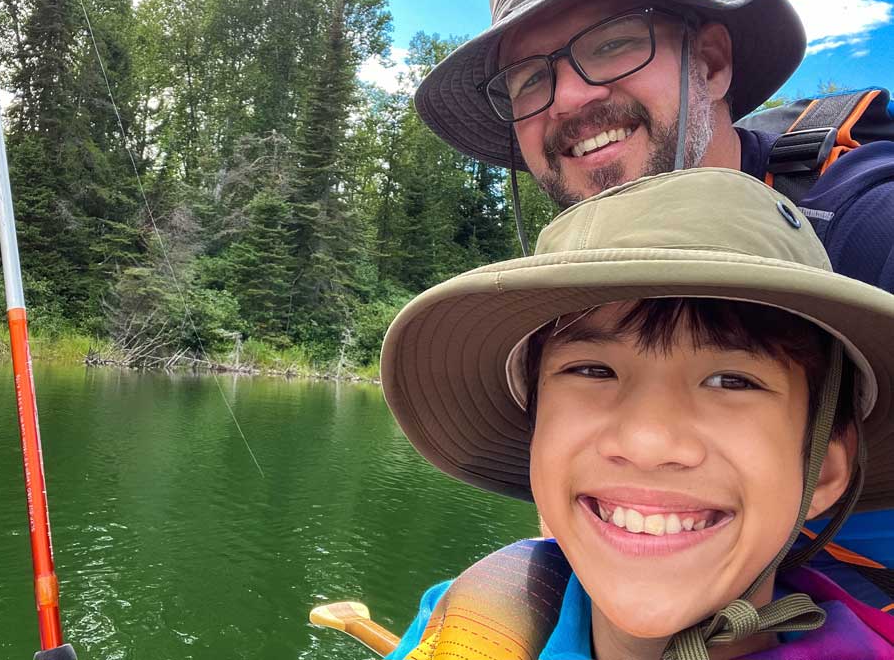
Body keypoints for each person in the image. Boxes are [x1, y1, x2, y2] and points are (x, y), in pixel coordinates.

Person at [411, 0, 894, 567]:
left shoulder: (863, 224)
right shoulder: (573, 285)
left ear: (713, 65)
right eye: (529, 79)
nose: (570, 98)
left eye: (613, 42)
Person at [380, 168, 894, 659]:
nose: (647, 441)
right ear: (536, 434)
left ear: (823, 469)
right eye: (592, 371)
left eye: (731, 381)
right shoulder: (467, 619)